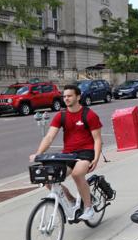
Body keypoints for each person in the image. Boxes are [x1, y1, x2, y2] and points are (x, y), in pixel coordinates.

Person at [29, 83, 103, 221]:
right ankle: (72, 200)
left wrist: (96, 158)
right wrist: (38, 153)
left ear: (78, 97)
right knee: (48, 178)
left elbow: (98, 139)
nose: (66, 99)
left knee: (77, 174)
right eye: (64, 96)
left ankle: (88, 207)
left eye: (69, 96)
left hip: (86, 152)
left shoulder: (89, 115)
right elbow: (49, 137)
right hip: (68, 154)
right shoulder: (61, 115)